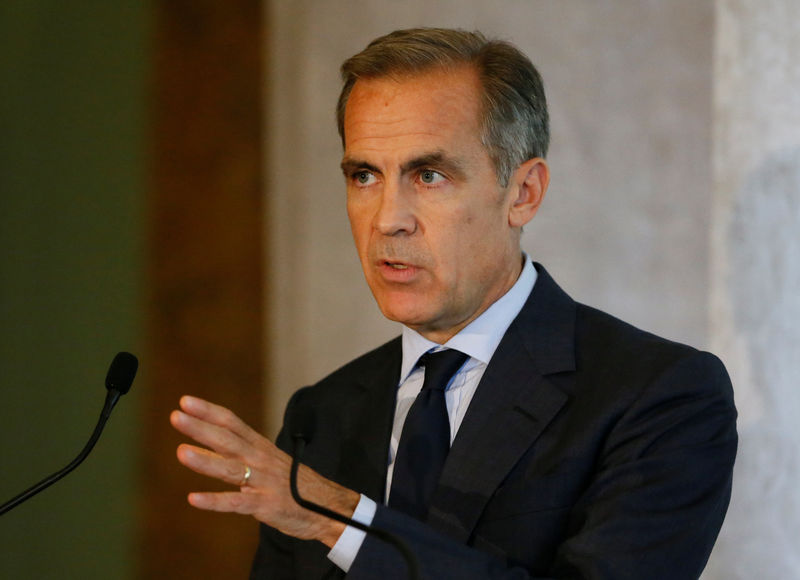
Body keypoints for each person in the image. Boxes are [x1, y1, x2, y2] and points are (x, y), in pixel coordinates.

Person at [171, 28, 737, 579]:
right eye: (364, 175)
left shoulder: (658, 395)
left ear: (523, 193)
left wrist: (343, 521)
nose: (388, 219)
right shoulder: (321, 414)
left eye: (430, 174)